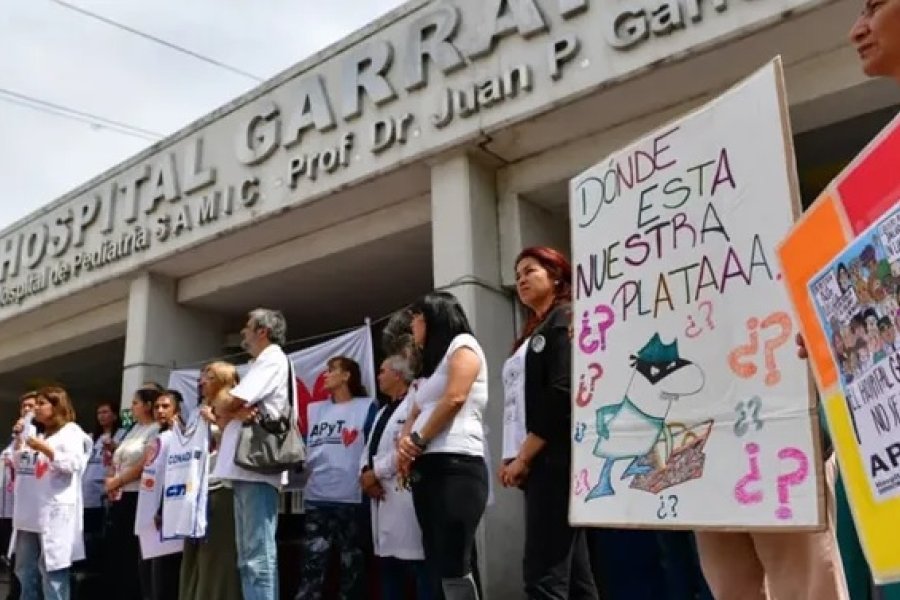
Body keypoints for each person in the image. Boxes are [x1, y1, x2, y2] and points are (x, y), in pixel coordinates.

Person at [497, 247, 599, 600]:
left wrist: (525, 455)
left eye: (530, 271)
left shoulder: (564, 318)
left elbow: (562, 392)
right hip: (538, 460)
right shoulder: (533, 331)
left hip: (554, 458)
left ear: (556, 276)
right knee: (572, 574)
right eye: (518, 274)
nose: (521, 279)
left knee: (544, 575)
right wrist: (513, 455)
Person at [398, 292, 489, 600]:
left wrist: (417, 440)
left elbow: (455, 398)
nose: (412, 326)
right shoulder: (432, 368)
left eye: (416, 318)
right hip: (428, 468)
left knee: (454, 561)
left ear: (434, 317)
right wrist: (406, 447)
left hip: (456, 465)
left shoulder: (463, 345)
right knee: (435, 558)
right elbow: (415, 411)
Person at [212, 308, 294, 600]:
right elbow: (222, 412)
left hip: (257, 468)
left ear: (262, 331)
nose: (243, 332)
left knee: (258, 556)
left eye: (248, 327)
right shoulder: (261, 362)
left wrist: (228, 404)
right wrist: (230, 409)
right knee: (248, 556)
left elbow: (227, 402)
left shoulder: (272, 358)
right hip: (246, 469)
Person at [296, 356, 377, 600]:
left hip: (351, 500)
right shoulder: (314, 409)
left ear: (346, 376)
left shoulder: (365, 407)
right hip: (317, 499)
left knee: (351, 567)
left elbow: (374, 447)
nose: (325, 375)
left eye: (332, 370)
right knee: (312, 566)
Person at [363, 350, 431, 600]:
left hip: (406, 497)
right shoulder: (382, 412)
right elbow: (368, 450)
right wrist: (365, 475)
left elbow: (409, 447)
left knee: (419, 570)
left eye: (382, 371)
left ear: (398, 374)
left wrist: (376, 473)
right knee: (389, 573)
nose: (378, 376)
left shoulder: (415, 404)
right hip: (382, 499)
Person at [12, 386, 90, 600]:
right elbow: (21, 465)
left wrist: (45, 448)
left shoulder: (72, 433)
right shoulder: (38, 434)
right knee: (25, 570)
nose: (35, 408)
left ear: (56, 406)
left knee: (52, 571)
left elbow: (73, 464)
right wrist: (20, 440)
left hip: (53, 513)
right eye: (34, 404)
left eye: (41, 403)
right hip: (29, 513)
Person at [180, 361, 242, 600]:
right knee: (194, 553)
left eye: (209, 376)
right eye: (201, 377)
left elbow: (237, 441)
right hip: (197, 488)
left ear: (223, 380)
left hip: (222, 487)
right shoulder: (197, 410)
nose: (202, 381)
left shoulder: (233, 405)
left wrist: (216, 421)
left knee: (216, 553)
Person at [105, 388, 162, 600]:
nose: (132, 407)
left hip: (138, 494)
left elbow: (143, 462)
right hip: (121, 494)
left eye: (136, 403)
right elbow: (118, 457)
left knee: (133, 550)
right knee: (117, 549)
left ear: (148, 405)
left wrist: (117, 481)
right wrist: (110, 480)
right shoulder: (134, 428)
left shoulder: (155, 429)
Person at [0, 392, 37, 600]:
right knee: (10, 555)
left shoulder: (37, 437)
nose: (27, 410)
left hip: (23, 509)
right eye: (24, 406)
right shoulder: (16, 437)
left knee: (21, 559)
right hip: (5, 508)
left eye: (31, 406)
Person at [81, 401, 125, 577]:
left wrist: (114, 448)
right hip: (86, 493)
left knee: (99, 535)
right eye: (99, 412)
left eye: (106, 412)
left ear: (115, 415)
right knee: (86, 534)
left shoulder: (122, 434)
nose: (101, 416)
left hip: (104, 493)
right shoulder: (93, 438)